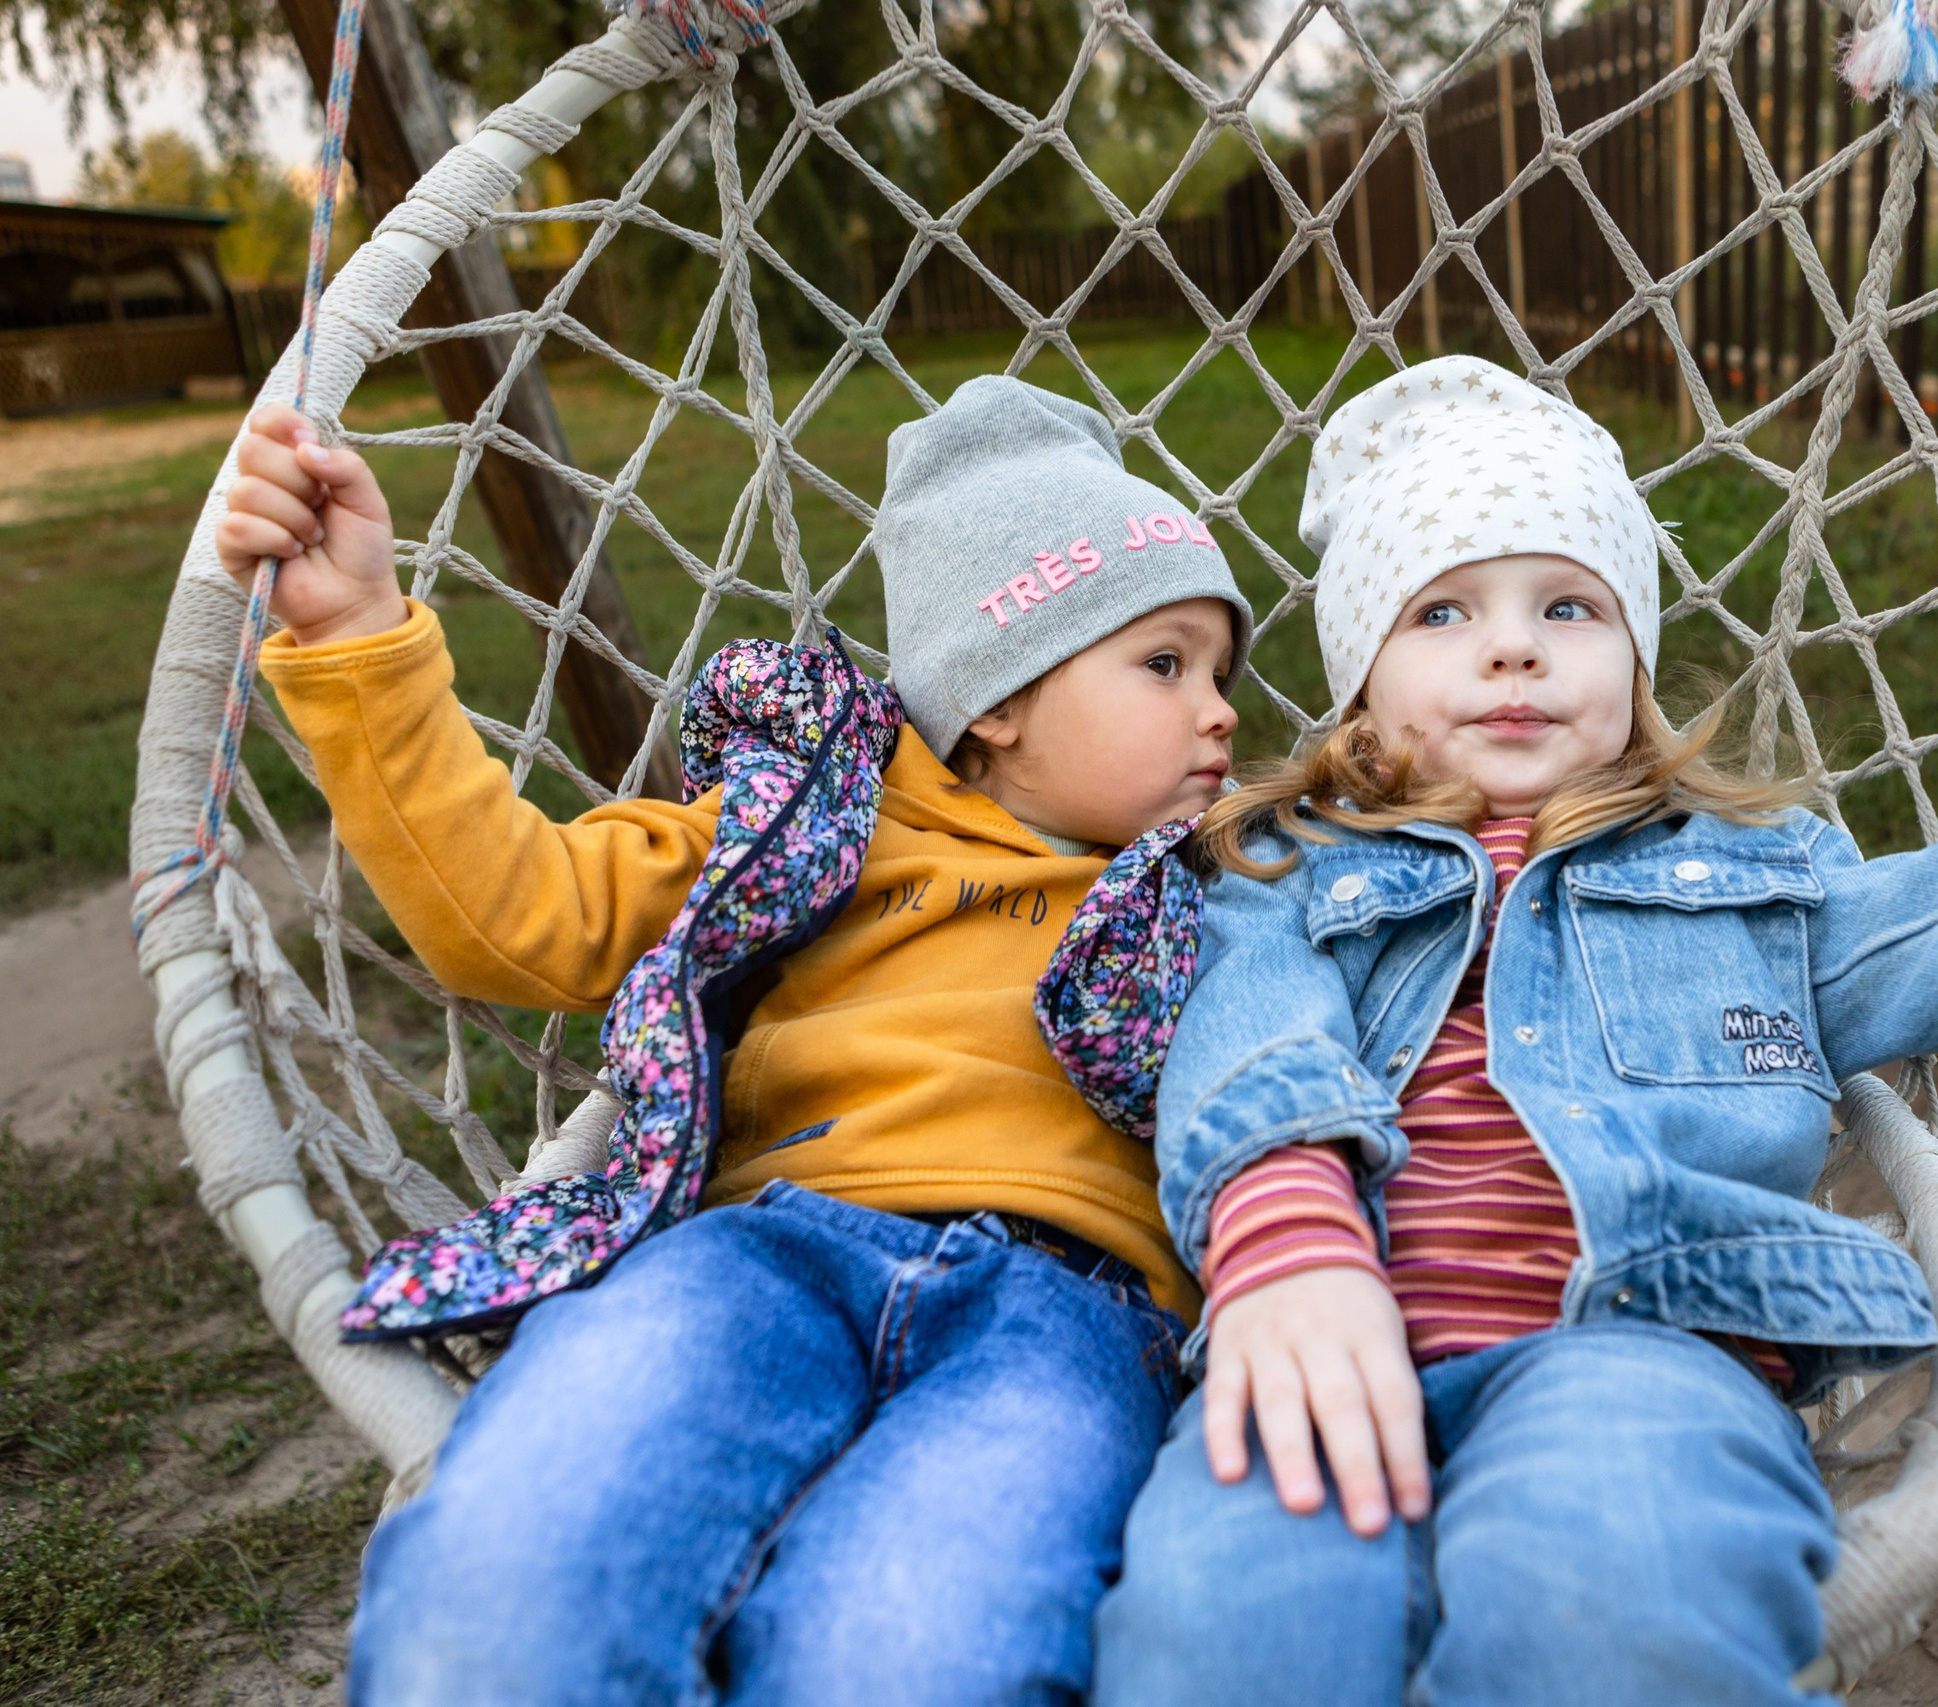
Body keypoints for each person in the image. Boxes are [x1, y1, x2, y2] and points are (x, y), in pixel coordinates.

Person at [1092, 354, 1938, 1706]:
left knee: (1617, 1605)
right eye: (1443, 609)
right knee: (1222, 1634)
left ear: (1631, 661)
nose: (1513, 647)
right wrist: (1287, 1250)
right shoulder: (1288, 870)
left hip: (1648, 1350)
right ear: (1359, 679)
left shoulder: (1746, 879)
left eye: (1568, 606)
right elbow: (1247, 1040)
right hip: (1322, 1334)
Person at [213, 375, 1254, 1707]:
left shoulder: (1231, 885)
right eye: (1166, 663)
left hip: (1070, 1317)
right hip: (764, 1256)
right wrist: (360, 627)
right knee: (503, 1583)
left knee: (914, 1655)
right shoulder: (807, 825)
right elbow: (515, 917)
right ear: (997, 694)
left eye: (1221, 672)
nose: (1222, 709)